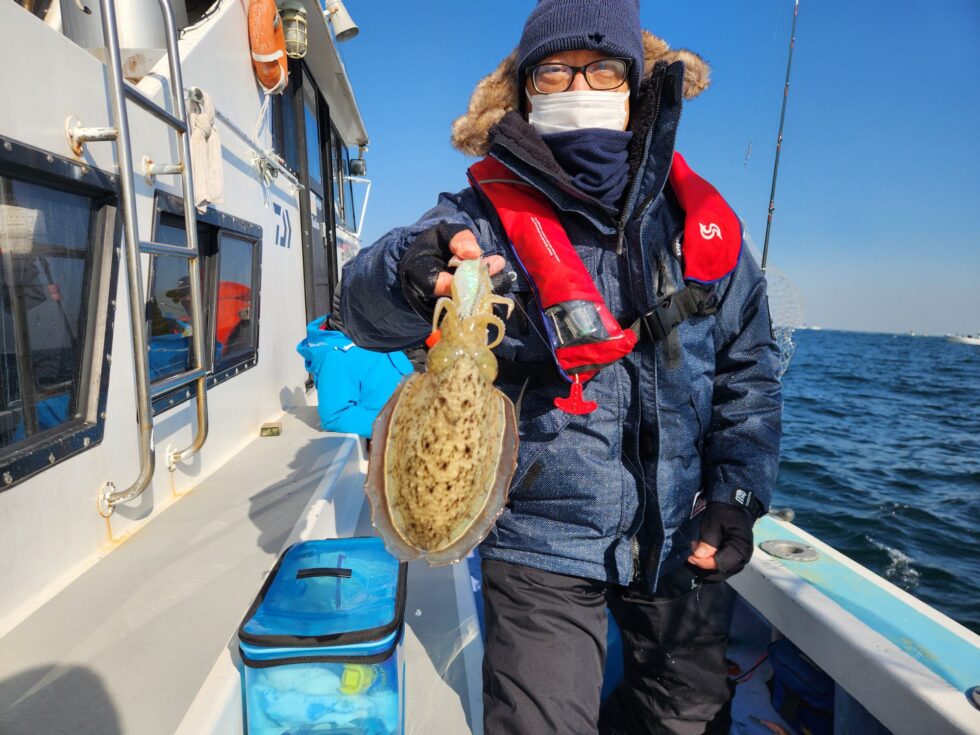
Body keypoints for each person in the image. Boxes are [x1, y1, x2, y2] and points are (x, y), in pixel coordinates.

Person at [340, 1, 782, 733]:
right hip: (539, 540)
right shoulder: (476, 219)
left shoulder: (700, 226)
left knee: (691, 716)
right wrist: (406, 273)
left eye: (603, 69)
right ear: (524, 89)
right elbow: (360, 306)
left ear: (635, 85)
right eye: (554, 72)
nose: (580, 87)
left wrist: (737, 491)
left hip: (678, 531)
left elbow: (749, 373)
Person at [296, 305, 413, 438]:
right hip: (397, 440)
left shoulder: (377, 335)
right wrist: (401, 425)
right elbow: (337, 416)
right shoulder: (336, 357)